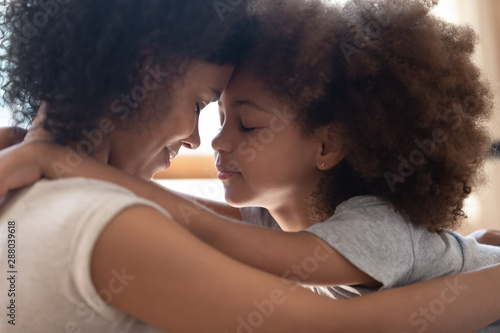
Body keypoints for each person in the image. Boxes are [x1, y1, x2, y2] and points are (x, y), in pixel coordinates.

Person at [1, 0, 500, 332]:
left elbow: (216, 229)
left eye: (246, 124)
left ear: (329, 145)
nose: (203, 139)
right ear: (144, 70)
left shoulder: (33, 192)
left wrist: (53, 155)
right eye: (202, 105)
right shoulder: (106, 222)